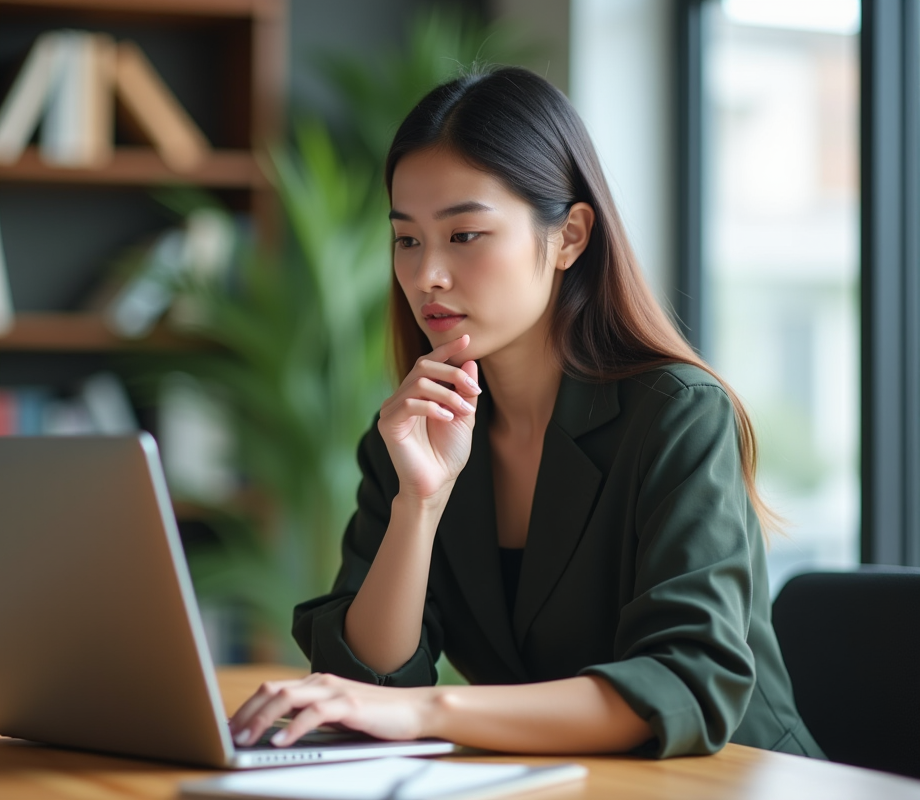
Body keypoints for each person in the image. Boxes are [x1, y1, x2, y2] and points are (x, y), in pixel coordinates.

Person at [227, 66, 825, 759]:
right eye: (408, 240)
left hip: (733, 781)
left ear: (569, 236)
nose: (428, 276)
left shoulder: (677, 416)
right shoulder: (414, 433)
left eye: (466, 236)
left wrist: (431, 710)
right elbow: (368, 681)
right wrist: (419, 503)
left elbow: (685, 682)